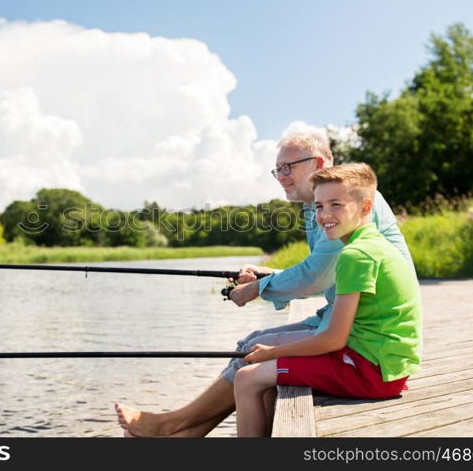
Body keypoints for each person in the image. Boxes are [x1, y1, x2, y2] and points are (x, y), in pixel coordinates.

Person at [115, 122, 415, 437]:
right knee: (251, 344)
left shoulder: (348, 204)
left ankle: (172, 424)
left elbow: (317, 275)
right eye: (277, 170)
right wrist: (266, 275)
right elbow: (325, 272)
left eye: (288, 167)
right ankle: (185, 433)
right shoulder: (323, 209)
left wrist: (258, 288)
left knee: (252, 351)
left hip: (364, 335)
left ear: (319, 164)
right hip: (348, 321)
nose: (281, 176)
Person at [235, 163, 422, 436]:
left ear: (366, 207)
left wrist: (273, 352)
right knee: (265, 376)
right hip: (387, 366)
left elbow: (334, 339)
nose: (325, 215)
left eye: (336, 205)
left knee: (246, 379)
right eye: (320, 206)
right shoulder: (374, 244)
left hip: (370, 372)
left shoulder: (355, 255)